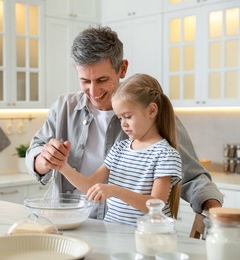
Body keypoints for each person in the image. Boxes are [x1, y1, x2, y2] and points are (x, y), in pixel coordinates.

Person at [25, 26, 223, 220]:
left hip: (128, 233)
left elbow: (193, 177)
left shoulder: (152, 114)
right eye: (85, 81)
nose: (93, 91)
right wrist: (44, 161)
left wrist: (216, 214)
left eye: (102, 79)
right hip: (69, 221)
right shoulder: (64, 107)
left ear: (123, 68)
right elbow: (36, 150)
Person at [58, 73, 182, 225]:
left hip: (146, 235)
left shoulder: (165, 154)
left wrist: (115, 190)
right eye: (119, 118)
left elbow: (155, 205)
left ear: (151, 111)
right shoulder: (119, 149)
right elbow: (91, 185)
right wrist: (62, 166)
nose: (123, 124)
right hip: (113, 232)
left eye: (128, 116)